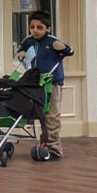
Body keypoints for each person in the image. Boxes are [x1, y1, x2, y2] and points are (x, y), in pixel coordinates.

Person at [16, 11, 73, 161]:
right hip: (36, 82)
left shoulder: (51, 41)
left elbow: (69, 51)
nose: (35, 30)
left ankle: (54, 148)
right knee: (41, 114)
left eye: (39, 27)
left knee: (51, 115)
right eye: (32, 27)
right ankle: (45, 141)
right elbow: (21, 49)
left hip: (52, 82)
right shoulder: (29, 40)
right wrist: (21, 52)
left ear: (48, 29)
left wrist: (61, 47)